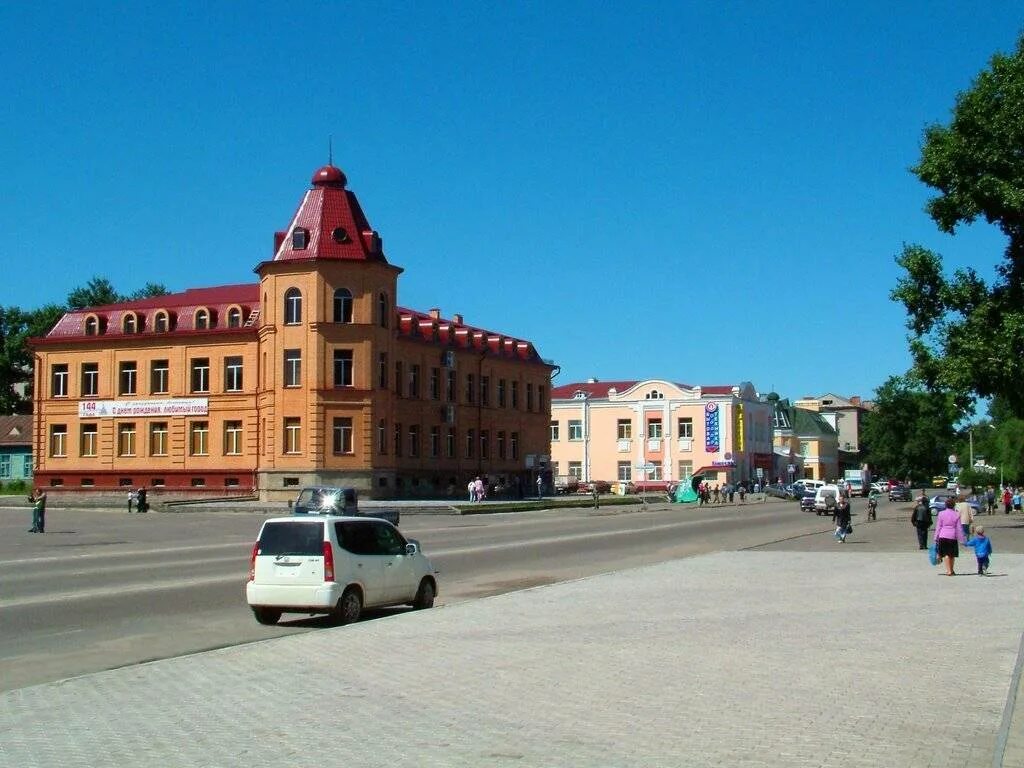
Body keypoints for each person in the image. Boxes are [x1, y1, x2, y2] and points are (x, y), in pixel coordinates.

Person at [933, 497, 966, 576]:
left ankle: (949, 571)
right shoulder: (957, 514)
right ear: (954, 505)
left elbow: (938, 526)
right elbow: (959, 528)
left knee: (946, 555)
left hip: (943, 535)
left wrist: (936, 537)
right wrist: (962, 539)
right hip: (952, 536)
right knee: (951, 554)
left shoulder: (941, 514)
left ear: (945, 505)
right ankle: (951, 569)